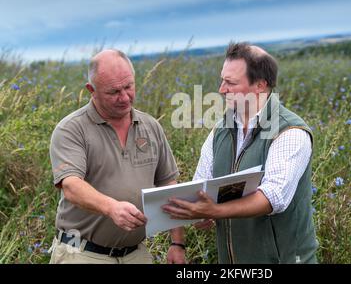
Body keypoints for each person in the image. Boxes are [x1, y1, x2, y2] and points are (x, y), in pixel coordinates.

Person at [163, 42, 318, 264]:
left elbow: (273, 198)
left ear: (260, 86)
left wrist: (214, 210)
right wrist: (198, 211)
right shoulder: (220, 130)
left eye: (231, 83)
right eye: (222, 80)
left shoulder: (290, 131)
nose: (221, 89)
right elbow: (201, 185)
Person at [49, 49, 185, 264]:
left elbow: (169, 185)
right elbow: (72, 186)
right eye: (113, 92)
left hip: (135, 254)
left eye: (128, 87)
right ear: (91, 90)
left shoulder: (151, 126)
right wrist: (111, 208)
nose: (124, 97)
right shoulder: (71, 129)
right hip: (82, 254)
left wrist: (177, 243)